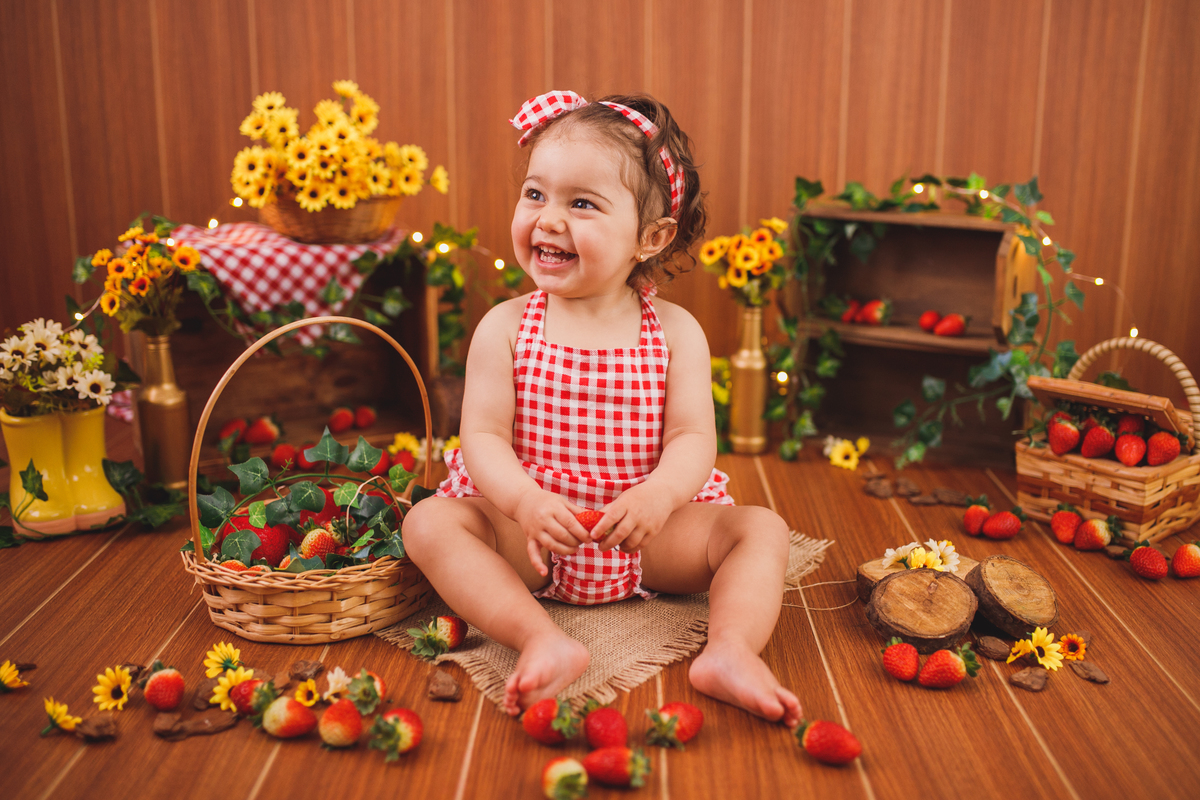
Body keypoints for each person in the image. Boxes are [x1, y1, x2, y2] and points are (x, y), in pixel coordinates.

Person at [403, 90, 799, 728]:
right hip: (528, 533)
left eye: (581, 203)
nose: (549, 219)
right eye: (536, 194)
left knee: (761, 531)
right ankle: (539, 637)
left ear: (651, 236)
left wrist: (660, 498)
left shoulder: (675, 332)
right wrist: (525, 504)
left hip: (642, 530)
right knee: (430, 524)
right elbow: (482, 437)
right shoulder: (505, 326)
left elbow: (694, 437)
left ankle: (729, 651)